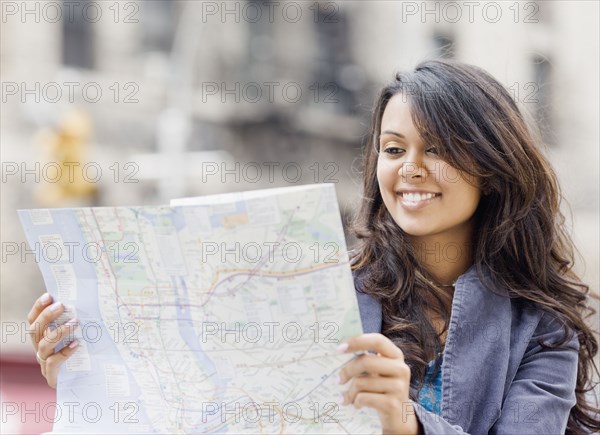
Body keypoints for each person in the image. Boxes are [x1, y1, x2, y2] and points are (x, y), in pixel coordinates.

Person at [27, 59, 599, 434]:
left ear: (494, 167)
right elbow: (217, 410)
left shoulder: (543, 330)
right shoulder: (313, 284)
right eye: (394, 149)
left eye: (439, 148)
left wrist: (407, 423)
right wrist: (91, 379)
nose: (411, 170)